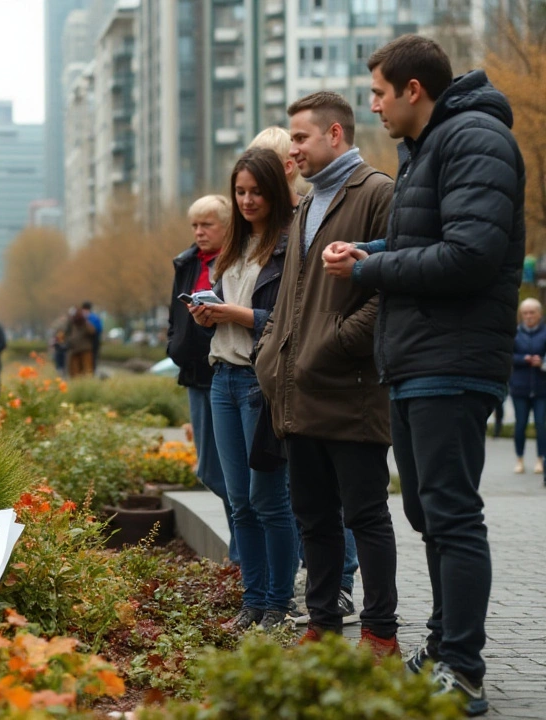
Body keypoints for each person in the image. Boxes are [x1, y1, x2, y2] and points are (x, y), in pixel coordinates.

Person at [324, 35, 524, 716]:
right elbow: (427, 241)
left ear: (414, 89)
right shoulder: (429, 148)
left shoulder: (473, 139)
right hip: (417, 360)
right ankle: (443, 648)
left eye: (379, 92)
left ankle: (462, 669)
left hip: (453, 358)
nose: (372, 105)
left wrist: (370, 268)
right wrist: (373, 249)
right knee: (426, 512)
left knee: (452, 515)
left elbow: (469, 255)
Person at [253, 91, 399, 656]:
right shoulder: (307, 205)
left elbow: (389, 290)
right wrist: (273, 352)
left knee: (364, 515)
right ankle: (321, 624)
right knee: (312, 516)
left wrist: (331, 345)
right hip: (296, 394)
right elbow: (291, 299)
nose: (292, 150)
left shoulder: (379, 193)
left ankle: (379, 631)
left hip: (351, 393)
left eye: (300, 138)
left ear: (334, 134)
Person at [248, 123, 363, 621]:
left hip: (318, 372)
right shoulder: (272, 228)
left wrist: (318, 347)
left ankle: (338, 583)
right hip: (279, 372)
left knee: (335, 496)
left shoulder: (317, 213)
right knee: (298, 495)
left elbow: (332, 295)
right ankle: (318, 580)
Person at [189, 147, 296, 632]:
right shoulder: (231, 245)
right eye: (240, 191)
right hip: (222, 378)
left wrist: (235, 314)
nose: (248, 200)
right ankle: (252, 601)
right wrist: (206, 312)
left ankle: (278, 603)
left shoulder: (289, 244)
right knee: (238, 501)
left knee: (270, 500)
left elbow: (292, 321)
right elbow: (225, 308)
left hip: (260, 381)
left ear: (273, 191)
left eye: (256, 191)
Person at [167, 194, 236, 566]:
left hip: (228, 370)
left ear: (227, 226)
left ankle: (244, 554)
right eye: (195, 225)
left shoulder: (236, 259)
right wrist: (173, 342)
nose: (199, 232)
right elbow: (174, 312)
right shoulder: (188, 261)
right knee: (209, 469)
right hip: (196, 373)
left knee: (236, 472)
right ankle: (244, 550)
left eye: (207, 225)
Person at [510, 298, 546, 475]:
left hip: (542, 388)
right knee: (520, 425)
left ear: (539, 314)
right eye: (525, 312)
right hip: (520, 387)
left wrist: (542, 363)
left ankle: (541, 459)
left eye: (532, 312)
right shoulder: (514, 333)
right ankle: (519, 459)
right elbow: (507, 356)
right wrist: (522, 359)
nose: (529, 316)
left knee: (541, 424)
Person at [65, 306, 96, 378]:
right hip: (74, 350)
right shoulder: (71, 323)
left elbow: (92, 331)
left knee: (87, 371)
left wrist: (85, 322)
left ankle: (86, 384)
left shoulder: (85, 323)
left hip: (85, 350)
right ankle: (78, 385)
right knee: (75, 373)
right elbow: (67, 334)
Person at [82, 301, 102, 374]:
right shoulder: (95, 317)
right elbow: (99, 329)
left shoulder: (84, 317)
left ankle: (88, 372)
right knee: (93, 358)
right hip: (94, 341)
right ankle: (92, 372)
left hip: (87, 341)